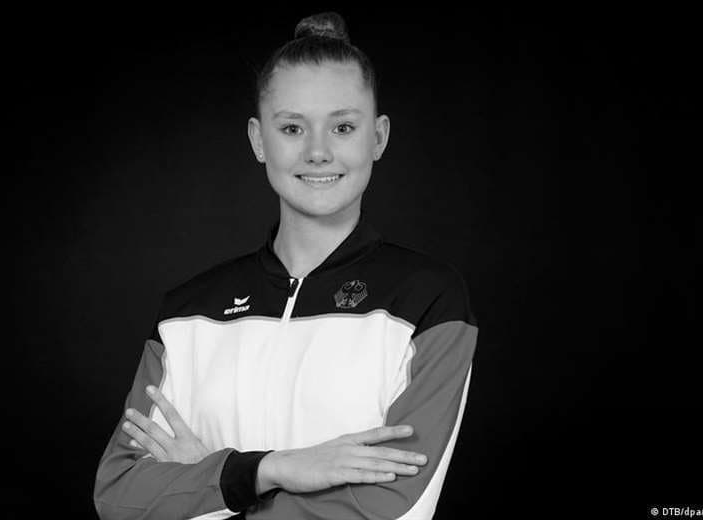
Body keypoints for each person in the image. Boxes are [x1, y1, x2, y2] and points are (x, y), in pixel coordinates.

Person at [93, 12, 478, 520]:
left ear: (378, 137)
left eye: (343, 127)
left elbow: (392, 509)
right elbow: (118, 495)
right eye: (292, 128)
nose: (318, 152)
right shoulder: (185, 313)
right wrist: (266, 469)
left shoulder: (429, 299)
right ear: (259, 140)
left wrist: (206, 484)